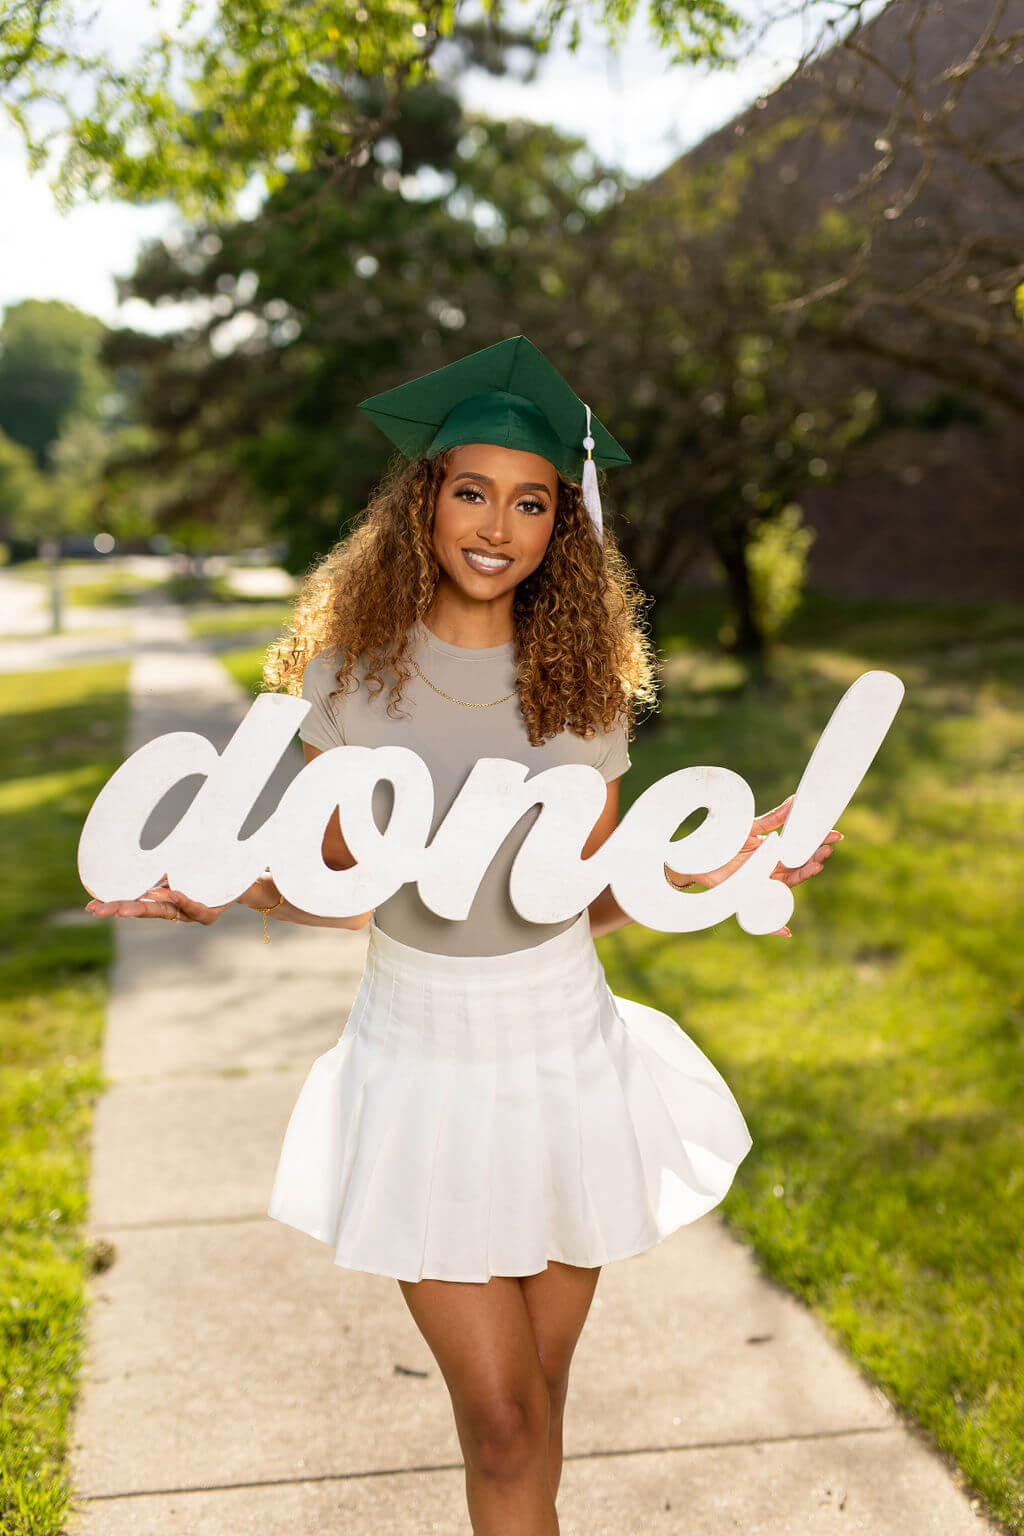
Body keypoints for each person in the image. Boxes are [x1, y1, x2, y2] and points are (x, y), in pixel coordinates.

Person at [86, 335, 840, 1536]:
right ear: (424, 500)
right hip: (423, 1059)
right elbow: (339, 885)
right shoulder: (348, 675)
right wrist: (220, 886)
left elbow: (581, 899)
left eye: (531, 500)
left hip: (562, 1055)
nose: (497, 524)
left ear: (560, 524)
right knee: (496, 1417)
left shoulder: (581, 684)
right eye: (472, 490)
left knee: (536, 1412)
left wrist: (722, 859)